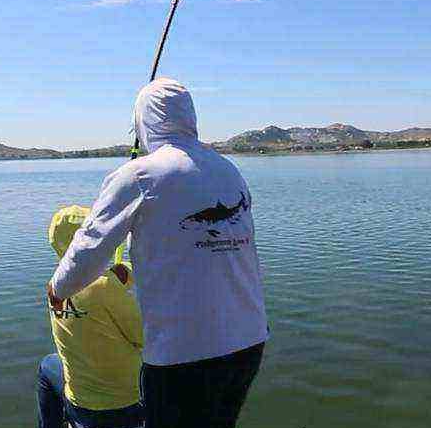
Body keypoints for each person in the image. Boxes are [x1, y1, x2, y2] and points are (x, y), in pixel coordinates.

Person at [48, 78, 268, 428]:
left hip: (184, 352)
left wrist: (58, 288)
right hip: (249, 341)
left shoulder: (138, 175)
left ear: (144, 122)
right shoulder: (228, 171)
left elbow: (90, 245)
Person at [37, 205, 144, 428]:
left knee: (48, 365)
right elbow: (144, 338)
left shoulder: (54, 286)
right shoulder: (105, 287)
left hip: (79, 402)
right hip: (122, 406)